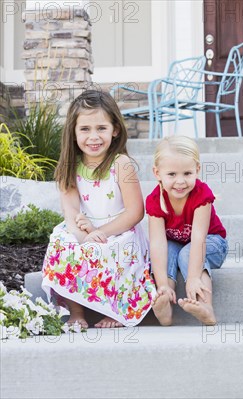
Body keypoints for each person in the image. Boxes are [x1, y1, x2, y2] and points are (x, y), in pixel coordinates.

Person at [42, 90, 156, 329]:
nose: (93, 137)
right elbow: (71, 212)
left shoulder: (121, 165)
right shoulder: (69, 167)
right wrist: (85, 236)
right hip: (85, 229)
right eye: (85, 129)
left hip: (119, 229)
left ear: (115, 130)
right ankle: (77, 311)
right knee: (63, 241)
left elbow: (135, 212)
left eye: (101, 128)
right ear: (73, 133)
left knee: (119, 249)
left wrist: (100, 232)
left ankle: (117, 308)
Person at [146, 136, 228, 326]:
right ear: (157, 173)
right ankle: (165, 300)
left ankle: (206, 306)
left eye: (187, 173)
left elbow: (198, 239)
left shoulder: (202, 194)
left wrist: (191, 278)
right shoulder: (154, 200)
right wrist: (162, 284)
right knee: (169, 249)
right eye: (172, 174)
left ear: (197, 170)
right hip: (178, 243)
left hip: (212, 243)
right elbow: (158, 243)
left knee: (186, 252)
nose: (180, 181)